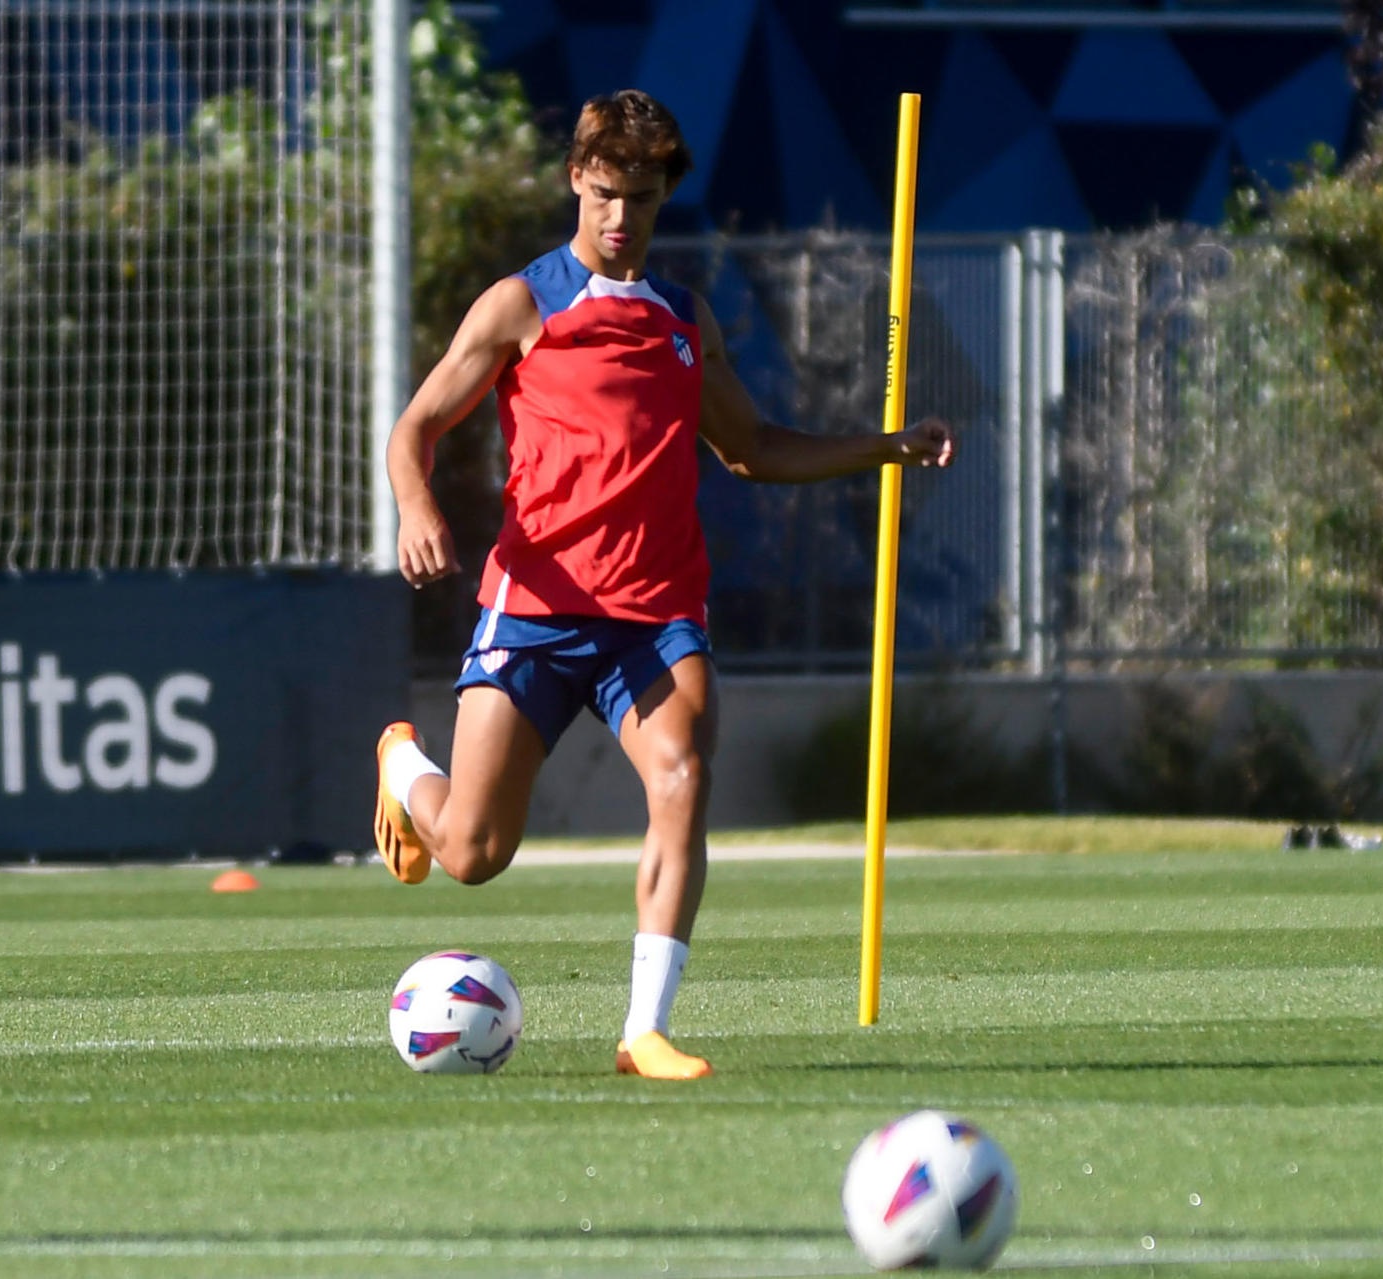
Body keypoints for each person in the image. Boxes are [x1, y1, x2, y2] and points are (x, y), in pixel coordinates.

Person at [373, 89, 954, 1081]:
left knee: (682, 776)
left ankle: (644, 1030)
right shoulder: (523, 305)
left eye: (639, 198)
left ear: (662, 196)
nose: (618, 217)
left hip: (656, 614)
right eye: (603, 194)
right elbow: (415, 426)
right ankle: (398, 765)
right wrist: (418, 507)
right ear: (575, 181)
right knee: (471, 851)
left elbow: (754, 448)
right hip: (536, 611)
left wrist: (884, 448)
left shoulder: (686, 321)